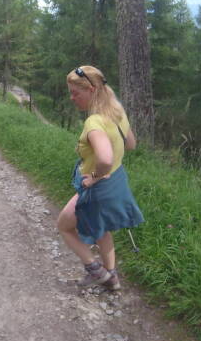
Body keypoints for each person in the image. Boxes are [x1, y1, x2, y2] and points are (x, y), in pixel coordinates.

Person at [57, 65, 144, 291]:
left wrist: (93, 178)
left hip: (98, 188)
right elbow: (131, 144)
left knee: (64, 226)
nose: (72, 98)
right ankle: (111, 277)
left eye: (76, 93)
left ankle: (97, 271)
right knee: (102, 229)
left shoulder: (94, 122)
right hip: (117, 182)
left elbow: (104, 159)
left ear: (92, 90)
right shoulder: (116, 113)